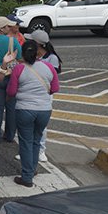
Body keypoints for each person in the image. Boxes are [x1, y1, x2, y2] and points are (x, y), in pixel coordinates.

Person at [7, 40, 60, 187]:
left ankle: (27, 176)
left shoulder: (19, 69)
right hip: (44, 110)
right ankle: (32, 169)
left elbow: (11, 91)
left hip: (25, 109)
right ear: (37, 53)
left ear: (23, 53)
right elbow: (55, 88)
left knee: (25, 142)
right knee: (36, 140)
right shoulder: (49, 67)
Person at [24, 29, 62, 162]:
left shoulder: (52, 58)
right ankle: (29, 152)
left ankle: (40, 150)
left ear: (37, 44)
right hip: (30, 95)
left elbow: (54, 81)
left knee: (41, 127)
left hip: (45, 95)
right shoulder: (31, 56)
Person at [0, 16, 22, 143]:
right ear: (2, 29)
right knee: (11, 107)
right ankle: (10, 135)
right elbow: (21, 59)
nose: (10, 28)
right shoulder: (12, 42)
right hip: (11, 77)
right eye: (8, 26)